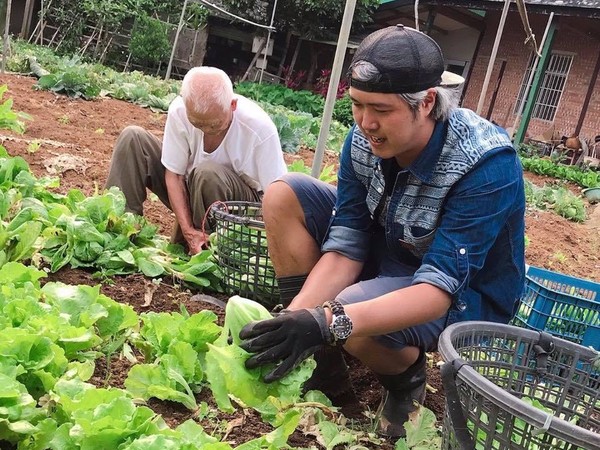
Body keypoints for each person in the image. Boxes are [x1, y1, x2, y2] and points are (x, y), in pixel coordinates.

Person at [238, 25, 525, 437]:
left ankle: (405, 379)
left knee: (346, 310)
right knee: (285, 195)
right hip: (393, 252)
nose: (366, 122)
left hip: (462, 294)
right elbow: (346, 244)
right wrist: (298, 317)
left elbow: (438, 290)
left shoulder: (484, 165)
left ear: (426, 103)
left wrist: (328, 321)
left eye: (382, 110)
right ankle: (321, 366)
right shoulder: (362, 141)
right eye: (356, 105)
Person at [106, 66, 287, 254]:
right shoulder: (179, 111)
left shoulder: (259, 130)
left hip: (238, 207)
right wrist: (187, 230)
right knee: (133, 138)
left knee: (206, 173)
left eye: (214, 125)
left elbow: (278, 197)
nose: (206, 130)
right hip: (190, 187)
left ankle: (208, 248)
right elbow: (174, 176)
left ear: (232, 105)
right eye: (197, 124)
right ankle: (119, 231)